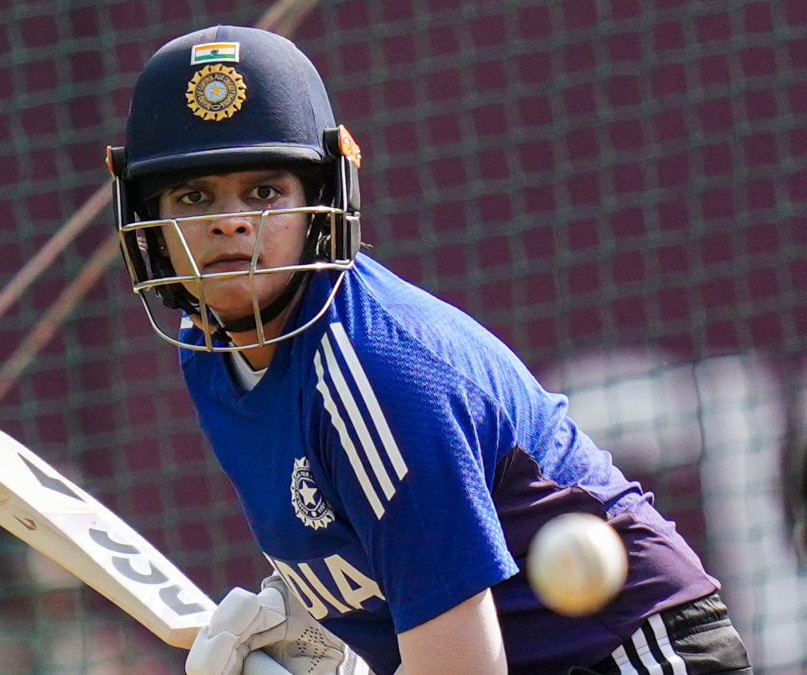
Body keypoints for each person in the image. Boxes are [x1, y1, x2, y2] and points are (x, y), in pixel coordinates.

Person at [105, 25, 752, 675]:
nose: (231, 221)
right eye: (193, 196)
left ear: (321, 203)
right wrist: (302, 617)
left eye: (265, 192)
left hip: (631, 654)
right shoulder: (207, 349)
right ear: (149, 224)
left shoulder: (376, 375)